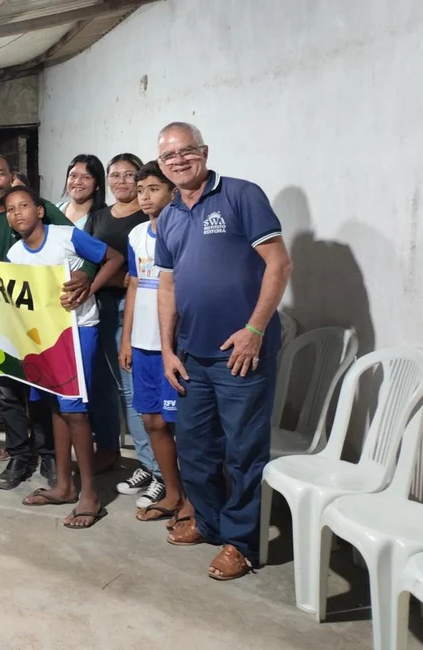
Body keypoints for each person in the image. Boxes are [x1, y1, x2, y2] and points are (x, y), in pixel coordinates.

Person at [154, 122, 292, 580]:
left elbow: (279, 262)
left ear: (204, 152)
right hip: (191, 356)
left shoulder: (240, 195)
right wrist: (167, 349)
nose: (178, 161)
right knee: (195, 449)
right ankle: (209, 523)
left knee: (244, 452)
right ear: (160, 164)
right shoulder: (169, 216)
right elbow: (168, 286)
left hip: (241, 354)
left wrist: (255, 328)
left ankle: (241, 542)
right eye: (168, 156)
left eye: (186, 152)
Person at [0, 153, 95, 489]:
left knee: (45, 391)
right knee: (8, 394)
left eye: (0, 173)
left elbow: (83, 251)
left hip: (50, 324)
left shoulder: (43, 207)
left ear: (12, 176)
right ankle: (20, 456)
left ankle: (51, 456)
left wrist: (87, 277)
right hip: (6, 321)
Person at [4, 184, 124, 529]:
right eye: (11, 210)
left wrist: (89, 286)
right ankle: (64, 486)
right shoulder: (15, 255)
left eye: (24, 205)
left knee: (74, 410)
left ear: (39, 210)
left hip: (78, 330)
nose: (18, 213)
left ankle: (90, 495)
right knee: (56, 407)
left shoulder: (66, 236)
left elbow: (114, 259)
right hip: (44, 338)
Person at [120, 161, 184, 524]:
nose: (145, 197)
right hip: (142, 343)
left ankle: (191, 498)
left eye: (153, 189)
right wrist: (126, 338)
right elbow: (133, 285)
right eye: (141, 189)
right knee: (152, 421)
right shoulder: (136, 236)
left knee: (181, 425)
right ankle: (172, 492)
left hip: (172, 345)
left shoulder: (182, 232)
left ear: (172, 191)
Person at [85, 154, 153, 485]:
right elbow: (86, 261)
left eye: (130, 176)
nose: (122, 182)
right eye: (115, 175)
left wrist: (120, 278)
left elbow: (141, 273)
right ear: (107, 180)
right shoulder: (97, 217)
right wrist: (111, 278)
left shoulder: (148, 215)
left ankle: (148, 462)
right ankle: (109, 449)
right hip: (99, 307)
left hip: (132, 308)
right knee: (102, 387)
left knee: (130, 387)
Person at [57, 155, 107, 230]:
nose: (77, 182)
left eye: (86, 177)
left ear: (97, 185)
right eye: (73, 176)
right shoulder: (56, 209)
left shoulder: (104, 218)